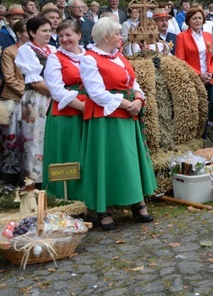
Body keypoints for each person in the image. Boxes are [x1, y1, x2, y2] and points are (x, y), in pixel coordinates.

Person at [79, 17, 156, 230]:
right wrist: (125, 103)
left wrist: (139, 99)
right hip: (105, 117)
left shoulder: (119, 56)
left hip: (128, 113)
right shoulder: (89, 59)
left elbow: (133, 81)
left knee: (130, 159)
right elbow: (95, 92)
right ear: (105, 37)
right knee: (107, 160)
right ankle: (103, 209)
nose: (120, 37)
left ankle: (136, 202)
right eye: (116, 34)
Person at [42, 20, 87, 199]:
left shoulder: (89, 55)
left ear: (79, 35)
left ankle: (89, 196)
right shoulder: (55, 58)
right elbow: (56, 91)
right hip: (66, 113)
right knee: (69, 153)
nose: (64, 39)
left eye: (68, 35)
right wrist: (83, 107)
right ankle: (66, 198)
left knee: (86, 154)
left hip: (90, 111)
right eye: (60, 36)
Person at [15, 17, 56, 184]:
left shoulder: (52, 50)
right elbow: (35, 82)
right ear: (32, 33)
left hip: (54, 97)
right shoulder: (26, 50)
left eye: (49, 30)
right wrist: (59, 93)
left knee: (51, 136)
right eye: (44, 31)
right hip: (37, 99)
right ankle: (34, 181)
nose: (48, 34)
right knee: (34, 138)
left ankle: (53, 177)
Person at [0, 20, 28, 184]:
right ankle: (9, 177)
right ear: (19, 34)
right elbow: (9, 78)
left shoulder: (34, 51)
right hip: (13, 99)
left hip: (31, 100)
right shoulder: (10, 52)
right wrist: (29, 90)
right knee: (10, 139)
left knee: (28, 140)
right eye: (27, 31)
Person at [175, 7, 213, 104]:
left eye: (200, 18)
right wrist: (199, 74)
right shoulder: (182, 36)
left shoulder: (208, 35)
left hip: (209, 80)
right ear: (188, 21)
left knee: (207, 112)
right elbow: (180, 61)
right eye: (194, 18)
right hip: (192, 80)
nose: (198, 21)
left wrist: (210, 73)